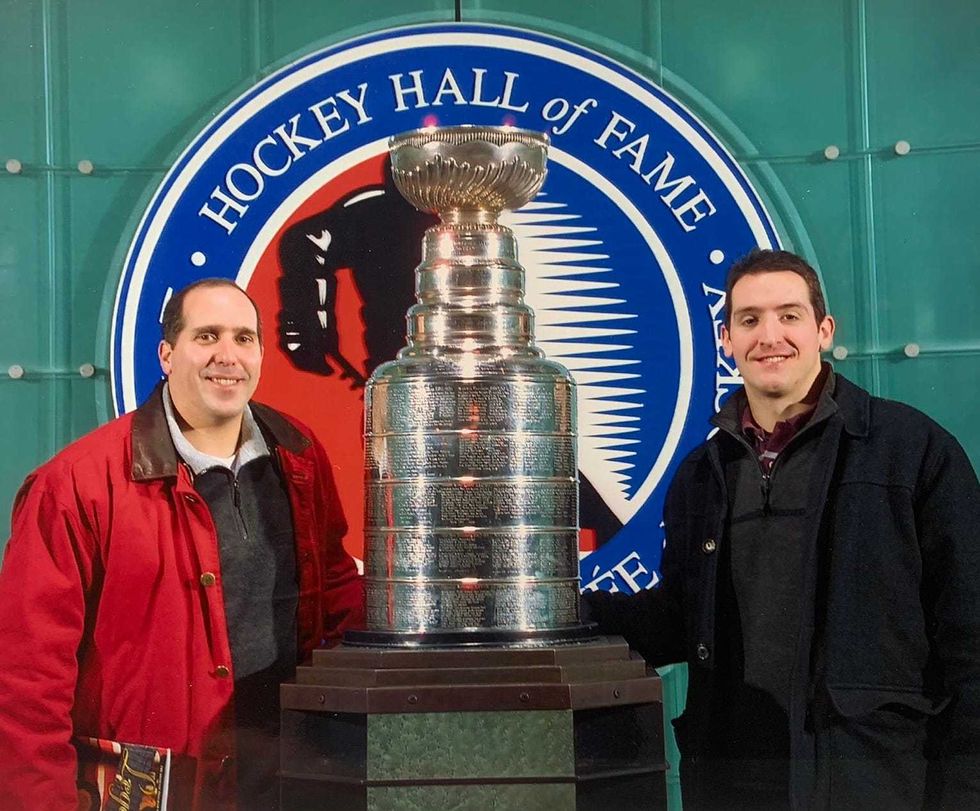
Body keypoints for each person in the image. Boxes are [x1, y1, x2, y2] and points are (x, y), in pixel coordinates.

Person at [583, 249, 980, 810]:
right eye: (749, 319)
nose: (770, 335)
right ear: (727, 340)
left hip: (872, 782)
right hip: (734, 783)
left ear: (824, 330)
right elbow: (677, 621)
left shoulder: (911, 452)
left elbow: (970, 637)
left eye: (789, 315)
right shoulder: (702, 473)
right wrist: (554, 610)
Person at [0, 279, 364, 810]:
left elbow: (335, 591)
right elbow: (27, 675)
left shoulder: (300, 456)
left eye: (243, 338)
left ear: (262, 353)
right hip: (150, 790)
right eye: (207, 336)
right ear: (167, 355)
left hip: (288, 778)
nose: (227, 356)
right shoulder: (75, 485)